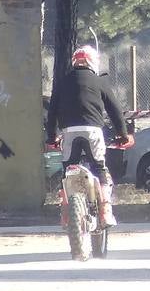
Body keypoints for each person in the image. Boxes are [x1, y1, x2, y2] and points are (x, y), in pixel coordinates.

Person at [47, 46, 129, 226]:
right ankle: (106, 210)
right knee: (99, 167)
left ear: (75, 62)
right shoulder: (99, 82)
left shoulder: (62, 82)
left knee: (68, 170)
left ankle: (66, 212)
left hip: (69, 132)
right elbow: (115, 110)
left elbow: (52, 111)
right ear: (93, 62)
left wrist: (51, 137)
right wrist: (123, 134)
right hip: (92, 131)